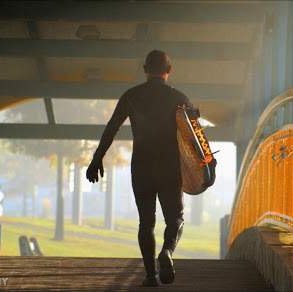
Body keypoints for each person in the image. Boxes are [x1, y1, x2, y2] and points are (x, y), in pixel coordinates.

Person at [86, 50, 194, 287]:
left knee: (146, 223)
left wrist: (97, 159)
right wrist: (204, 169)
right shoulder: (179, 98)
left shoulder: (131, 96)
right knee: (175, 218)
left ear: (145, 70)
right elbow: (194, 137)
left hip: (142, 165)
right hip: (169, 166)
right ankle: (167, 251)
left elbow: (112, 127)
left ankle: (149, 276)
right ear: (169, 70)